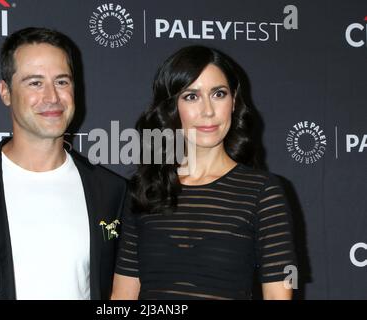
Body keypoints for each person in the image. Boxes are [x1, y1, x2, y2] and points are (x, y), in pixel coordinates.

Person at [0, 27, 126, 300]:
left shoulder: (110, 190)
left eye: (62, 81)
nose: (52, 97)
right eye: (35, 83)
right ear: (5, 92)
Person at [112, 45, 297, 300]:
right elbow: (122, 298)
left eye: (218, 94)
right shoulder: (145, 189)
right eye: (191, 96)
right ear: (172, 108)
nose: (208, 111)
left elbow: (278, 295)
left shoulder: (263, 192)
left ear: (233, 101)